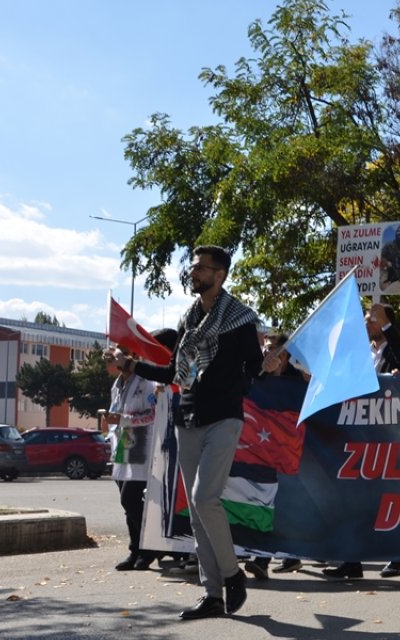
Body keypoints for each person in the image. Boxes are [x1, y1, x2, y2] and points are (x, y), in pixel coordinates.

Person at [121, 245, 264, 620]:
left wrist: (236, 386)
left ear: (220, 274)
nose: (193, 273)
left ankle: (233, 575)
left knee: (204, 498)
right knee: (198, 513)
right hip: (188, 419)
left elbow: (255, 367)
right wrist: (133, 366)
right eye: (192, 267)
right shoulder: (189, 320)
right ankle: (212, 594)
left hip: (224, 419)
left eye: (200, 267)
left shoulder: (240, 319)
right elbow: (174, 373)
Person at [324, 302, 400, 581]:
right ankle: (352, 560)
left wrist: (387, 325)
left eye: (373, 319)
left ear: (387, 321)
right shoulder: (359, 352)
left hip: (388, 434)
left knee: (390, 498)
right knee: (353, 499)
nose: (367, 324)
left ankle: (396, 556)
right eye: (366, 319)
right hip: (357, 434)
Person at [103, 328, 176, 573]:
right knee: (128, 503)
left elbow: (153, 414)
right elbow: (117, 411)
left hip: (141, 447)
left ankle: (151, 546)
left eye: (122, 354)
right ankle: (136, 549)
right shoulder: (117, 383)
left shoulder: (145, 382)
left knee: (131, 498)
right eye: (115, 353)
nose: (116, 357)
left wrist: (123, 419)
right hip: (122, 447)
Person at [244, 332, 307, 579]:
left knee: (283, 506)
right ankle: (262, 558)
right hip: (260, 454)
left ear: (285, 355)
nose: (266, 353)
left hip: (289, 455)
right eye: (265, 348)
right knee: (265, 502)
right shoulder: (253, 378)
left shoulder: (298, 383)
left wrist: (309, 382)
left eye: (272, 349)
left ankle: (285, 556)